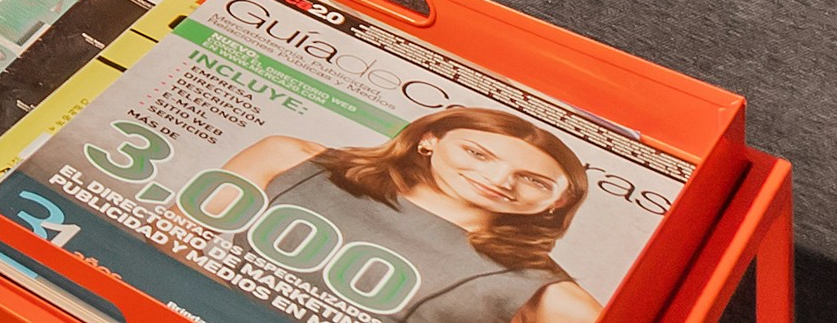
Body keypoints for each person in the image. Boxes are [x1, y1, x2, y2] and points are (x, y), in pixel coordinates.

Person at [223, 108, 602, 323]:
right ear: (429, 139)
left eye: (533, 180)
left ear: (559, 201)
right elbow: (170, 243)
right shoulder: (291, 158)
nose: (499, 180)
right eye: (478, 154)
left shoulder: (554, 297)